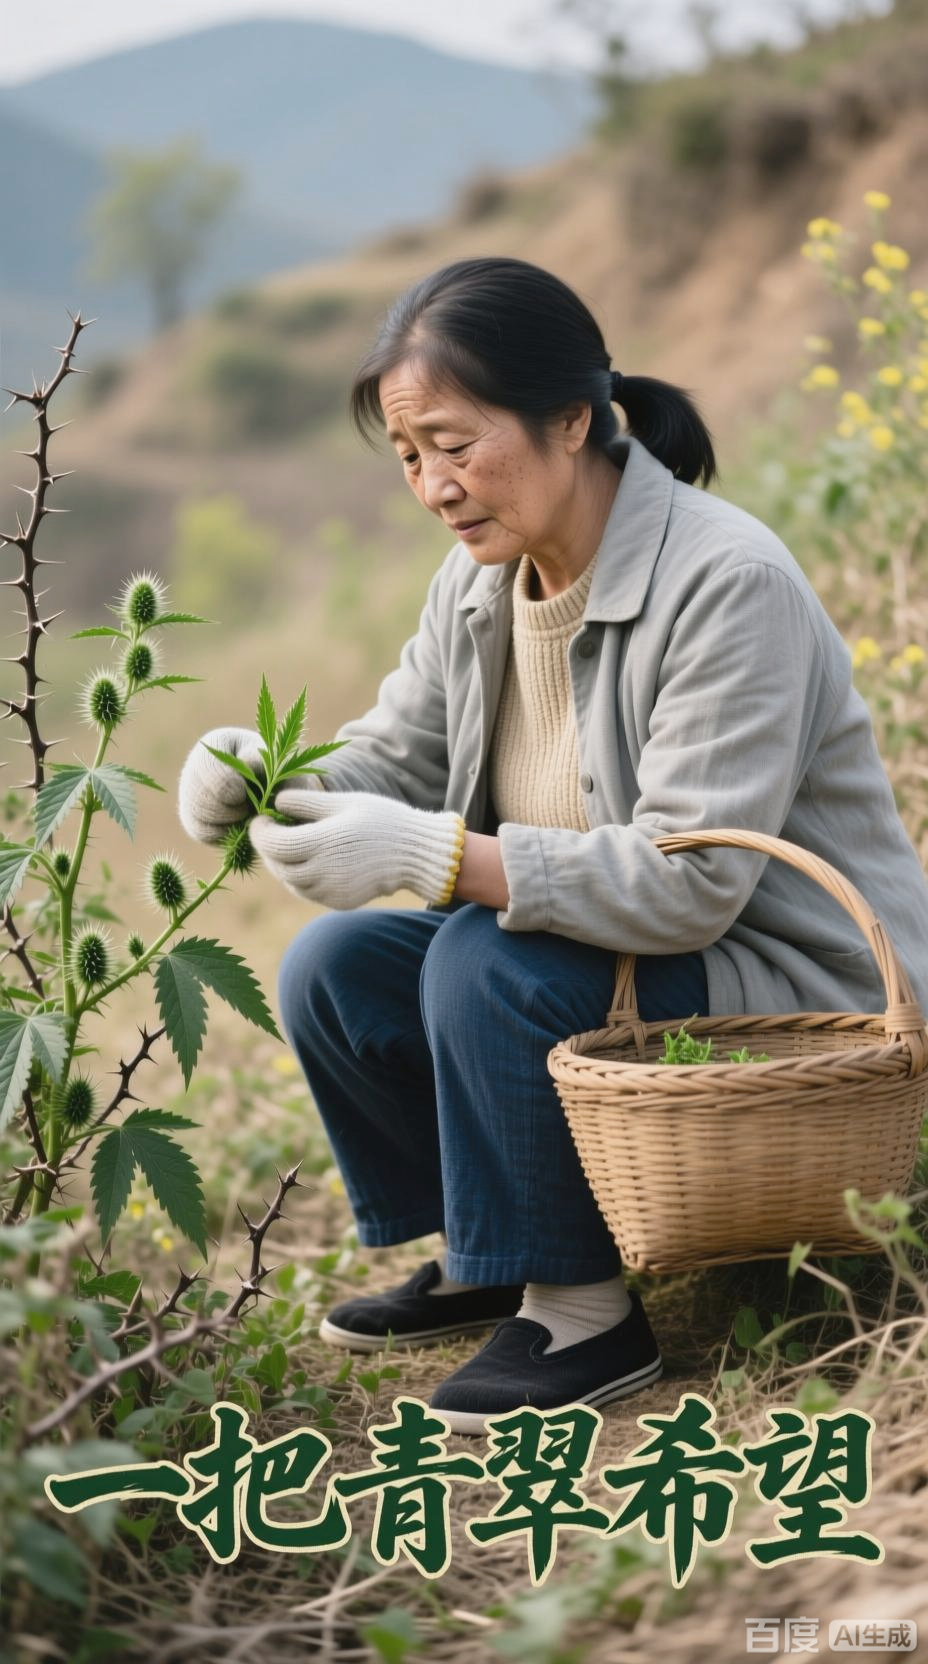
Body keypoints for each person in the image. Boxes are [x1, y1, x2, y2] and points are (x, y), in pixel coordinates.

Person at [178, 256, 928, 1435]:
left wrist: (437, 859)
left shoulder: (724, 580)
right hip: (612, 954)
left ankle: (584, 1312)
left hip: (788, 973)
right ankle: (493, 1257)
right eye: (408, 455)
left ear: (572, 418)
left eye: (454, 442)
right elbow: (399, 754)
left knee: (482, 957)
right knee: (334, 970)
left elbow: (691, 888)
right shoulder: (479, 579)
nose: (433, 484)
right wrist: (265, 778)